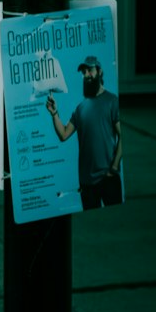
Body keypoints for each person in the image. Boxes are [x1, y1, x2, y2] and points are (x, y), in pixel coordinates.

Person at [46, 56, 123, 210]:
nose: (86, 74)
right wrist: (54, 114)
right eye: (84, 72)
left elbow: (122, 136)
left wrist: (114, 167)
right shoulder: (81, 108)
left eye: (90, 70)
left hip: (108, 177)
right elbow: (63, 134)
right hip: (86, 182)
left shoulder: (112, 101)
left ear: (99, 72)